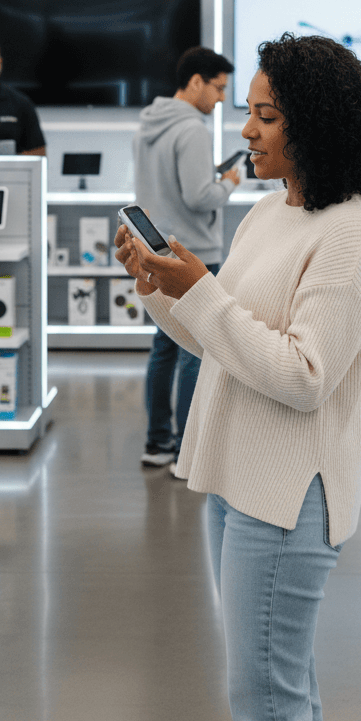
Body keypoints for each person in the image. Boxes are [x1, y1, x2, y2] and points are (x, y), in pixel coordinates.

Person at [116, 33, 361, 721]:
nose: (245, 133)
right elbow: (219, 340)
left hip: (286, 500)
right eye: (247, 113)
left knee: (269, 713)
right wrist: (161, 290)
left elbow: (305, 378)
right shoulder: (271, 213)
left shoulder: (350, 232)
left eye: (265, 117)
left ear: (313, 124)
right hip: (235, 487)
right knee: (280, 701)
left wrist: (201, 292)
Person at [133, 45, 241, 469]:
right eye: (217, 89)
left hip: (155, 247)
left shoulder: (147, 125)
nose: (219, 100)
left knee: (163, 346)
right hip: (193, 251)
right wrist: (229, 182)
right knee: (195, 349)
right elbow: (199, 197)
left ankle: (157, 443)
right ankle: (187, 453)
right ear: (195, 81)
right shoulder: (193, 129)